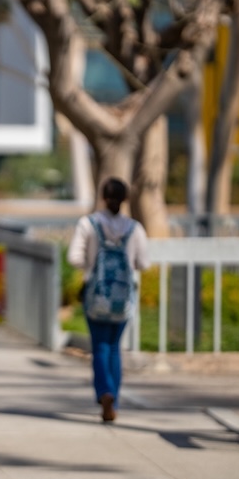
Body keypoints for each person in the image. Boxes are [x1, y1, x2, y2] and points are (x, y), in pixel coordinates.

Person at [67, 177, 149, 423]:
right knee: (115, 348)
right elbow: (144, 263)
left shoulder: (89, 224)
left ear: (103, 197)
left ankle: (104, 393)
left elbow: (74, 257)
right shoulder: (134, 228)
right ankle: (114, 395)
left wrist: (92, 267)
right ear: (125, 200)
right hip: (123, 299)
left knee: (100, 347)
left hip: (96, 296)